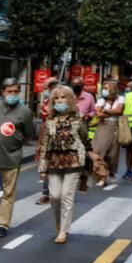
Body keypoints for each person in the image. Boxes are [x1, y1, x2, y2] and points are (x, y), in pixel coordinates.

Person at [0, 77, 35, 238]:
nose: (12, 94)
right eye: (9, 91)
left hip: (11, 159)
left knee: (8, 194)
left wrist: (13, 144)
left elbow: (27, 136)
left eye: (16, 92)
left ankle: (2, 224)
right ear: (2, 92)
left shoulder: (25, 112)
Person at [38, 85, 91, 244]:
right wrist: (42, 166)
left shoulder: (78, 118)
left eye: (63, 97)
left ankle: (63, 231)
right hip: (54, 161)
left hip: (74, 160)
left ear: (70, 100)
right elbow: (45, 144)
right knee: (55, 196)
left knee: (67, 196)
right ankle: (59, 222)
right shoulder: (49, 120)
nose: (60, 101)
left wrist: (91, 154)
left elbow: (84, 138)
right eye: (57, 98)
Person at [92, 80, 124, 187]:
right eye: (104, 88)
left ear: (112, 89)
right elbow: (98, 114)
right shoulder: (101, 100)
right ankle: (102, 176)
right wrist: (111, 112)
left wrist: (105, 111)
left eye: (106, 88)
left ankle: (112, 173)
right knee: (99, 151)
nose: (104, 90)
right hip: (102, 127)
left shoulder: (120, 99)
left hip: (115, 128)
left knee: (113, 153)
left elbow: (119, 111)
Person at [35, 77, 60, 204]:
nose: (48, 90)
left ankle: (58, 193)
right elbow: (43, 124)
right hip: (48, 139)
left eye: (50, 87)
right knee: (45, 165)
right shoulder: (45, 103)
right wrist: (39, 143)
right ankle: (46, 193)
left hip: (63, 139)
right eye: (46, 88)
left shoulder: (66, 103)